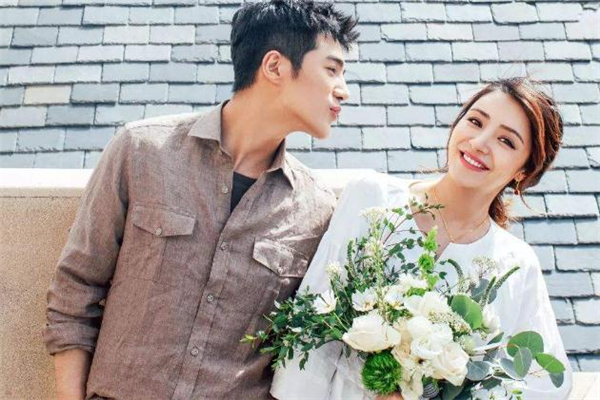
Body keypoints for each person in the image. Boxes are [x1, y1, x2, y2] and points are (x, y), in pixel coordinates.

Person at [42, 1, 358, 399]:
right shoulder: (141, 151)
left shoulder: (316, 209)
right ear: (275, 66)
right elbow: (75, 292)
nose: (344, 90)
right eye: (331, 69)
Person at [270, 77, 573, 400]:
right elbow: (312, 325)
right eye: (475, 122)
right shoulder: (371, 197)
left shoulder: (515, 264)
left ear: (524, 171)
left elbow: (548, 385)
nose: (479, 142)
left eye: (506, 141)